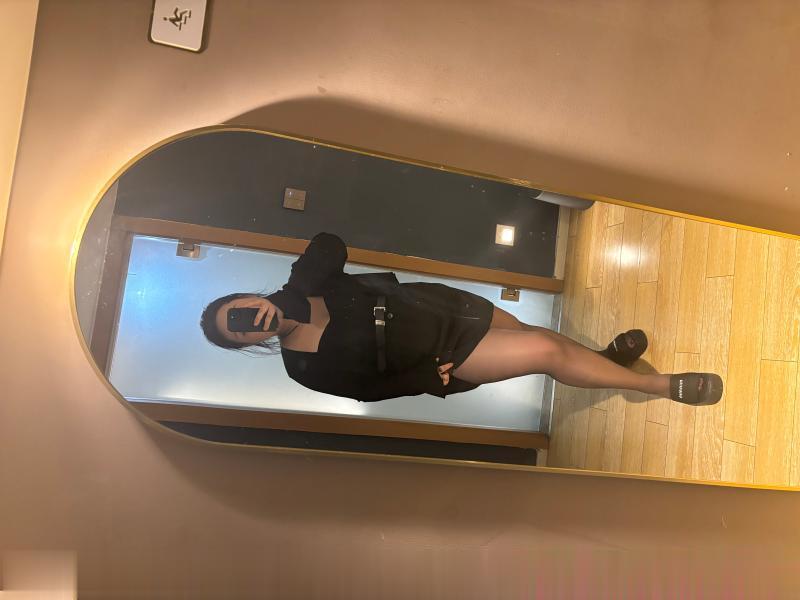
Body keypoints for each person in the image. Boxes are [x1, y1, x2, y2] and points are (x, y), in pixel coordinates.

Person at [200, 232, 723, 405]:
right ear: (247, 344)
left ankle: (607, 360)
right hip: (442, 355)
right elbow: (364, 389)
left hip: (441, 306)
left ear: (247, 297)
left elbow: (330, 243)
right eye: (238, 331)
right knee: (546, 353)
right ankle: (656, 386)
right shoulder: (302, 368)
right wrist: (423, 381)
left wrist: (292, 294)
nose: (248, 322)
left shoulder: (308, 283)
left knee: (539, 337)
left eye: (238, 311)